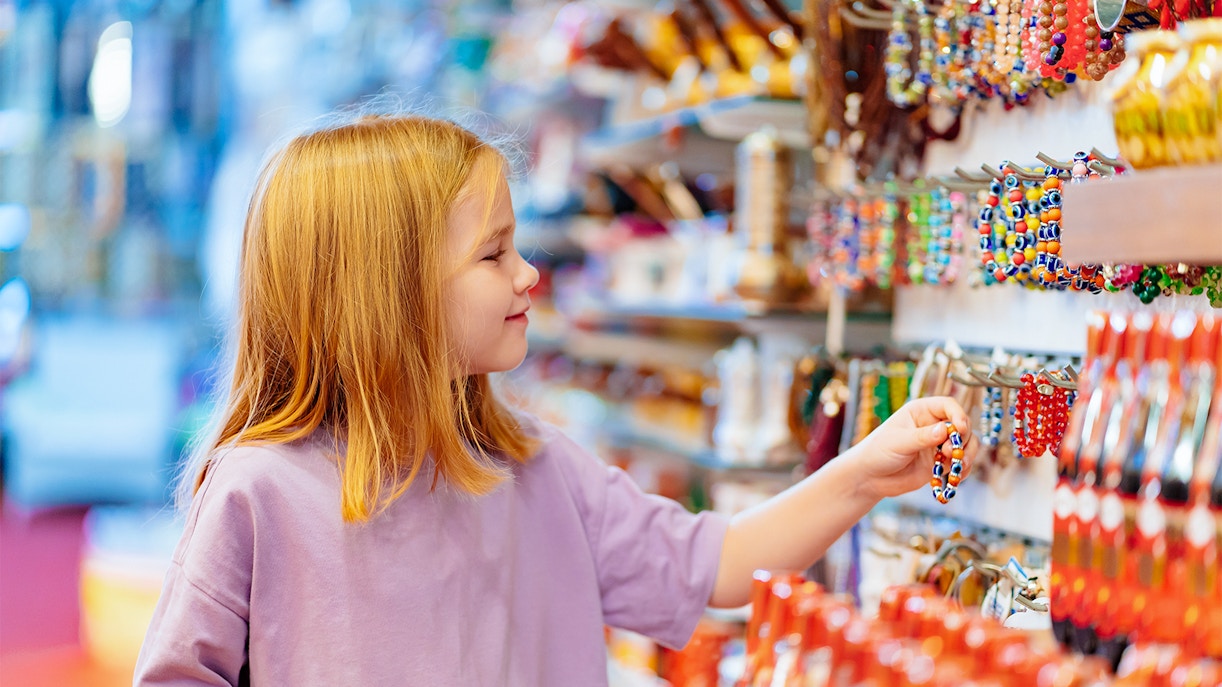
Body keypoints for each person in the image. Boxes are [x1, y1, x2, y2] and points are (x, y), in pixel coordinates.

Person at [133, 114, 977, 686]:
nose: (528, 273)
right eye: (494, 253)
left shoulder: (534, 468)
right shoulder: (259, 494)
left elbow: (713, 564)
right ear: (387, 293)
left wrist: (863, 473)